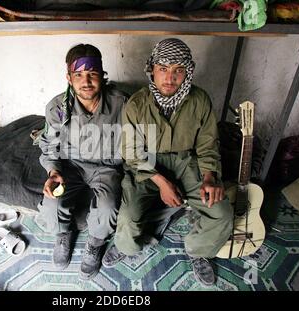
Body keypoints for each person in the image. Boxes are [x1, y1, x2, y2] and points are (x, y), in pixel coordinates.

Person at [101, 38, 233, 286]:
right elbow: (131, 152)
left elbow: (207, 144)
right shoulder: (136, 104)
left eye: (178, 71)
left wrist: (209, 177)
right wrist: (161, 182)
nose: (170, 78)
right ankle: (126, 247)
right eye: (163, 69)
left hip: (186, 162)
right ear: (152, 69)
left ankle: (199, 251)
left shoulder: (200, 100)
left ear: (187, 72)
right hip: (147, 166)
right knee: (128, 217)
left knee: (222, 212)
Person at [38, 44, 128, 280]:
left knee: (108, 207)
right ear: (69, 78)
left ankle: (95, 244)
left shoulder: (122, 104)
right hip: (71, 167)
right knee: (51, 204)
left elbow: (137, 143)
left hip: (106, 168)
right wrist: (53, 171)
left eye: (92, 74)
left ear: (102, 75)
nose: (86, 82)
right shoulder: (58, 108)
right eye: (78, 75)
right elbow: (49, 145)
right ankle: (62, 235)